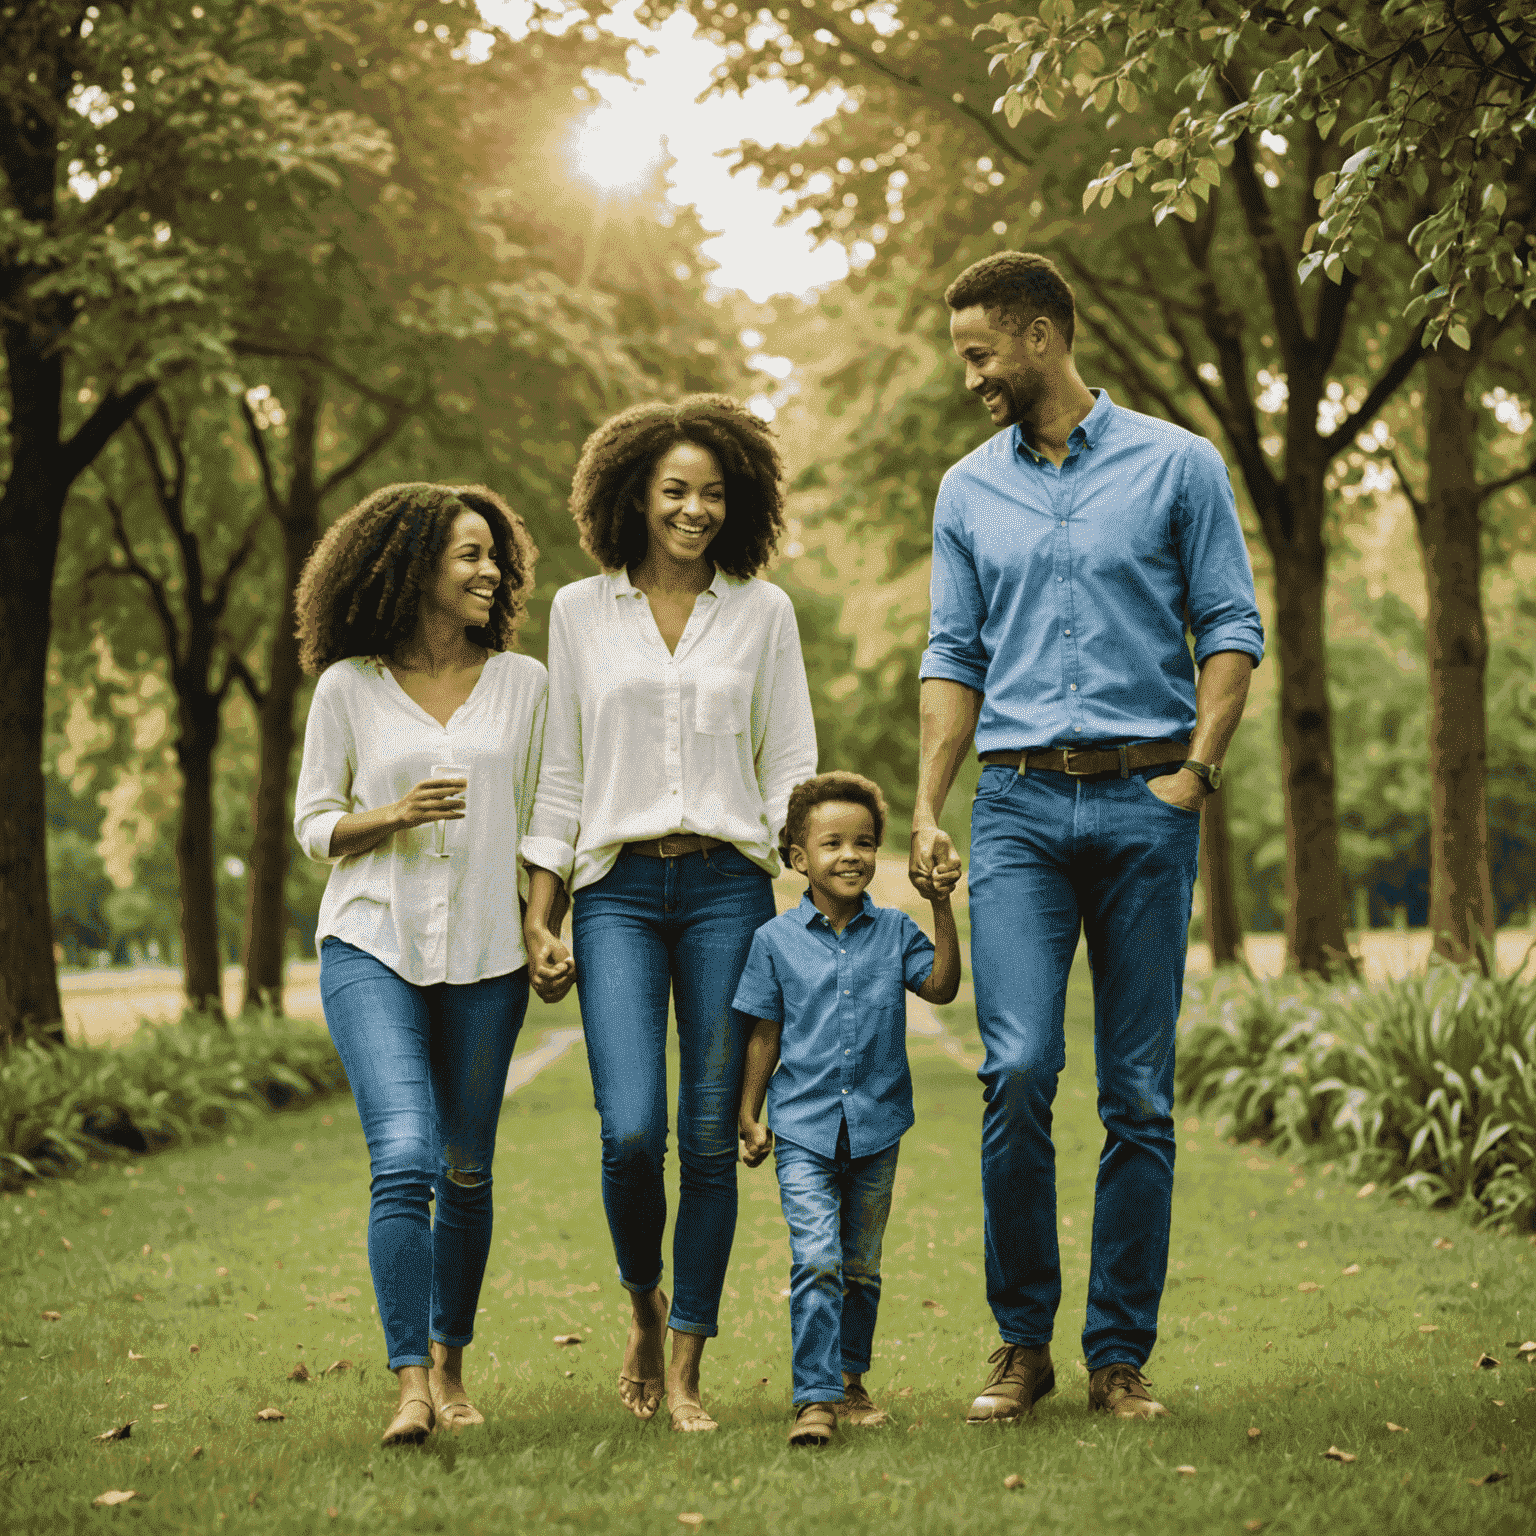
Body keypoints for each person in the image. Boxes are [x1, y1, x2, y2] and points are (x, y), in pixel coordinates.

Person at [909, 252, 1265, 1425]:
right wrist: (926, 803)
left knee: (1140, 1095)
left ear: (1043, 334)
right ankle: (1023, 1344)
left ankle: (1119, 1352)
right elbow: (954, 652)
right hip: (1013, 806)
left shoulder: (1178, 464)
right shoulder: (968, 489)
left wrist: (1196, 774)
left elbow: (1228, 623)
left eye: (980, 354)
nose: (971, 378)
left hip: (1143, 799)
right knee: (1014, 1069)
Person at [520, 395, 817, 1433]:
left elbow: (790, 764)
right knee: (630, 1130)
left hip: (731, 890)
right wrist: (541, 913)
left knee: (706, 1135)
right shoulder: (577, 612)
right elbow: (562, 773)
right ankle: (641, 1304)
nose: (695, 510)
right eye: (675, 491)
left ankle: (687, 1361)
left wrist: (813, 890)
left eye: (714, 493)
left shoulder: (763, 613)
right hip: (619, 897)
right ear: (633, 496)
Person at [292, 482, 545, 1445]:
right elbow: (314, 822)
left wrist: (540, 918)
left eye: (494, 555)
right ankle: (408, 1387)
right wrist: (391, 814)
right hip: (372, 941)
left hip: (485, 954)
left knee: (466, 1169)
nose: (490, 571)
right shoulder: (349, 687)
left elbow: (547, 818)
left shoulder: (527, 684)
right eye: (468, 555)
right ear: (411, 568)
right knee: (403, 1156)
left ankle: (450, 1359)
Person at [735, 772, 960, 1446]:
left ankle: (851, 1380)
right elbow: (765, 1034)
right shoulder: (775, 942)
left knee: (860, 1266)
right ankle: (815, 1397)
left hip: (877, 1124)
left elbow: (942, 987)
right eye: (831, 843)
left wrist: (940, 906)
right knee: (817, 1259)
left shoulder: (895, 931)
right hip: (801, 1125)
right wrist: (750, 1114)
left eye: (864, 842)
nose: (851, 855)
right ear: (799, 859)